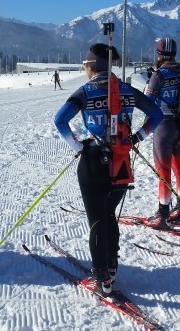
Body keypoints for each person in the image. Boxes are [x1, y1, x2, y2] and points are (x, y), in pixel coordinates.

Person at [54, 43, 163, 296]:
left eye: (85, 65)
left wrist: (77, 146)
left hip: (93, 162)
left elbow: (60, 120)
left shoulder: (85, 91)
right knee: (109, 215)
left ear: (92, 66)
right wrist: (137, 137)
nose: (84, 69)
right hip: (121, 162)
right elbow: (156, 115)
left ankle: (101, 276)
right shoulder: (127, 89)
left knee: (96, 220)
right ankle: (111, 267)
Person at [144, 37, 180, 228]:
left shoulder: (159, 75)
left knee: (164, 172)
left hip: (163, 125)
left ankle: (162, 213)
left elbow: (147, 102)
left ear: (159, 54)